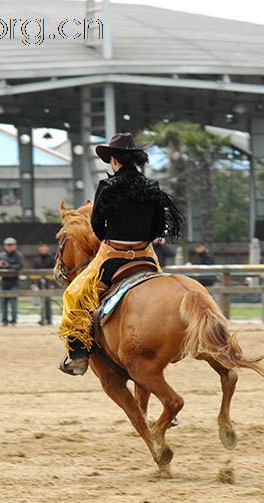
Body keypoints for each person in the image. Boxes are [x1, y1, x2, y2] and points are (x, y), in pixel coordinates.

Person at [58, 132, 183, 376]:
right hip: (145, 256)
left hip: (112, 256)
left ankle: (79, 355)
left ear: (114, 160)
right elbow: (160, 224)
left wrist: (109, 238)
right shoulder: (152, 186)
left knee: (73, 295)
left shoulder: (107, 186)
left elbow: (96, 223)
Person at [0, 237, 25, 326]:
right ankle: (4, 321)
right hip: (3, 282)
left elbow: (20, 266)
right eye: (8, 245)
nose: (10, 247)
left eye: (11, 245)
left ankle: (13, 321)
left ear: (15, 246)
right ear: (5, 246)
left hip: (14, 282)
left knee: (13, 303)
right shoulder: (1, 255)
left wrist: (8, 266)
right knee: (3, 303)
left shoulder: (18, 255)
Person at [33, 242, 55, 326]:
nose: (43, 249)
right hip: (39, 282)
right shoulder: (37, 259)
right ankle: (43, 318)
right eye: (41, 248)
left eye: (44, 247)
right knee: (43, 302)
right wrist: (34, 283)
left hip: (49, 283)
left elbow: (54, 272)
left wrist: (52, 283)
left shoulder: (51, 259)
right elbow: (34, 272)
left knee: (47, 301)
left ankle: (47, 319)